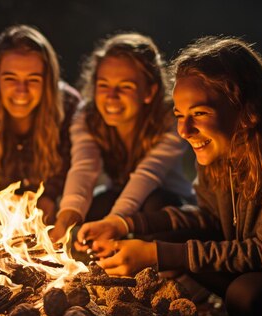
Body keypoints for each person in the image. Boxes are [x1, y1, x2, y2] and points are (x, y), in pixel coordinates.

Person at [77, 36, 262, 316]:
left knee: (247, 296)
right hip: (254, 263)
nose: (184, 131)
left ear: (246, 109)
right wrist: (124, 224)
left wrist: (157, 254)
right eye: (179, 115)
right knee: (158, 241)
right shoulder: (222, 146)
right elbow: (207, 216)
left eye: (200, 113)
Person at [51, 32, 194, 243]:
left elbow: (148, 174)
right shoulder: (87, 116)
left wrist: (114, 223)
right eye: (103, 85)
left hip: (167, 199)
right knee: (88, 208)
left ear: (149, 92)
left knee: (154, 204)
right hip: (118, 195)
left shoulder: (169, 118)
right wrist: (65, 219)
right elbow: (84, 167)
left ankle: (156, 261)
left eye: (125, 87)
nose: (111, 96)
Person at [0, 24, 82, 226]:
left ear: (48, 80)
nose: (21, 90)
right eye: (10, 78)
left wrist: (47, 198)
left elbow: (67, 169)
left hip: (52, 204)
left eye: (33, 79)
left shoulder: (68, 106)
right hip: (0, 204)